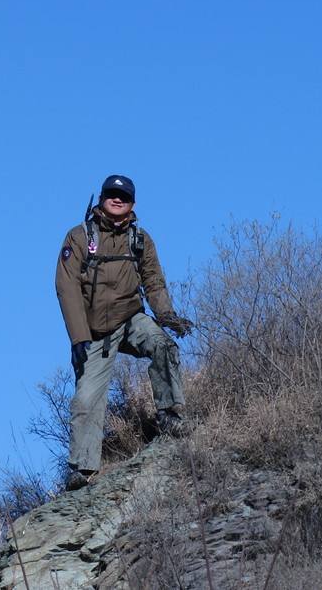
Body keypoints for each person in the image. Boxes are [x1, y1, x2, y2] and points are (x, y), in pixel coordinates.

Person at [55, 174, 194, 491]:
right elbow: (67, 288)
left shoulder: (140, 239)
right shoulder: (79, 237)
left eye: (124, 196)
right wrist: (79, 337)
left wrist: (166, 315)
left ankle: (170, 415)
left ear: (133, 203)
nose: (117, 200)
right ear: (101, 198)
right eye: (111, 194)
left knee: (163, 345)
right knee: (86, 398)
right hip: (94, 331)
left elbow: (153, 279)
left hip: (131, 317)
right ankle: (82, 468)